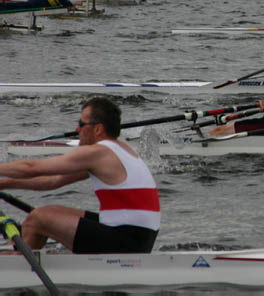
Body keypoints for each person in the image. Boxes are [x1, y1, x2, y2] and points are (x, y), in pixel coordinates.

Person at [0, 98, 160, 254]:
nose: (77, 129)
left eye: (82, 124)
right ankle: (24, 253)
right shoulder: (120, 149)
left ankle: (16, 261)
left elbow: (31, 168)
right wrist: (5, 184)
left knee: (38, 218)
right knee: (49, 211)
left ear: (98, 129)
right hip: (139, 237)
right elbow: (53, 181)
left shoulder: (98, 152)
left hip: (127, 241)